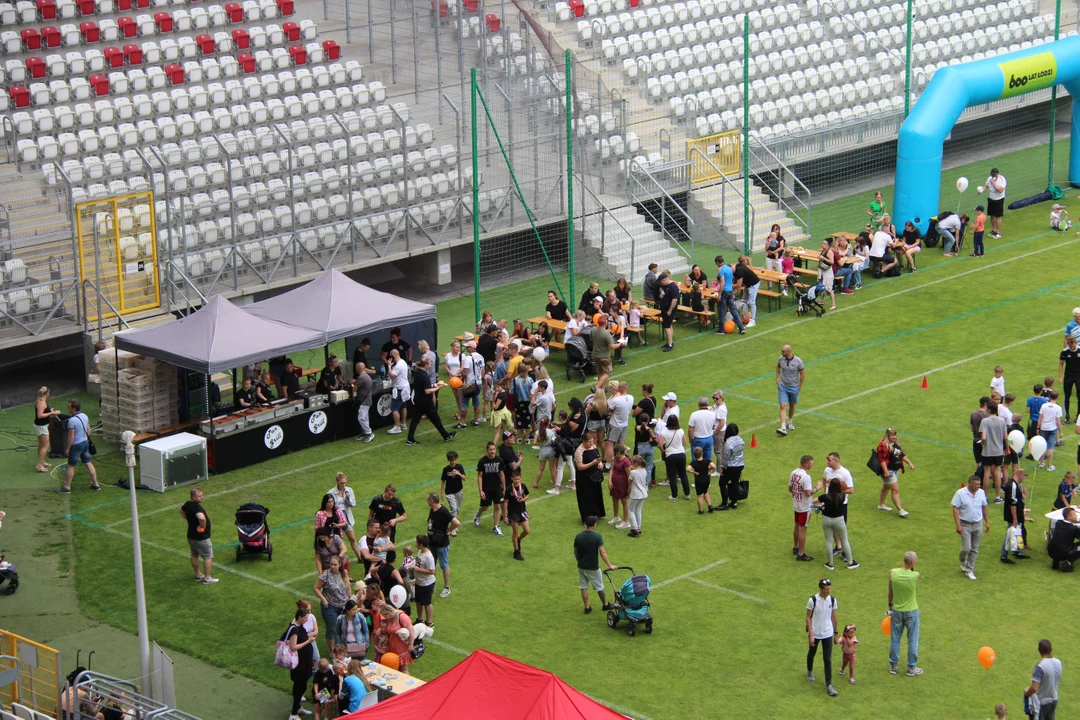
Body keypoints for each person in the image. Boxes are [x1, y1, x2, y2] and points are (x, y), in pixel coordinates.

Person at [406, 356, 455, 446]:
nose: (431, 365)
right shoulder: (424, 375)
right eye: (430, 364)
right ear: (426, 365)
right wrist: (437, 388)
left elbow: (423, 387)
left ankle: (410, 439)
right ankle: (446, 435)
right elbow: (427, 391)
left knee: (415, 420)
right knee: (436, 419)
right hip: (426, 402)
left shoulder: (417, 373)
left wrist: (434, 385)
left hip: (418, 400)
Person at [888, 551, 922, 677]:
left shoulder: (892, 573)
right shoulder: (915, 575)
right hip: (912, 611)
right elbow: (915, 573)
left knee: (895, 639)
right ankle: (911, 667)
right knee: (913, 640)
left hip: (897, 610)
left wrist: (890, 605)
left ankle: (893, 666)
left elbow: (890, 591)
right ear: (912, 562)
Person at [574, 515, 616, 614]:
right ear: (594, 525)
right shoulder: (597, 537)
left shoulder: (578, 536)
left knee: (583, 587)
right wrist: (610, 565)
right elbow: (603, 553)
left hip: (581, 566)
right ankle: (605, 604)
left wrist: (579, 560)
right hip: (593, 567)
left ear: (585, 524)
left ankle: (587, 607)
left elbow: (575, 551)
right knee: (599, 587)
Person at [805, 578, 839, 697]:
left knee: (827, 659)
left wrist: (835, 633)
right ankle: (809, 670)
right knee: (812, 653)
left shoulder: (833, 600)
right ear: (821, 589)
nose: (828, 591)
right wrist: (811, 634)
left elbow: (834, 617)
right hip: (815, 633)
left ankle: (829, 684)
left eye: (830, 588)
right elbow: (808, 617)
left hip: (827, 633)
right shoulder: (813, 600)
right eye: (826, 589)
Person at [57, 399, 98, 493]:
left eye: (69, 407)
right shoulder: (85, 416)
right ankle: (95, 484)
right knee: (88, 462)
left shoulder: (72, 421)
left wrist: (67, 449)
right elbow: (89, 430)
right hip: (84, 443)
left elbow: (71, 437)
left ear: (73, 409)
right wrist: (85, 439)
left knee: (70, 465)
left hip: (76, 445)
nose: (68, 408)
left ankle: (67, 487)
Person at [953, 475, 990, 581]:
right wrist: (958, 525)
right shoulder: (960, 493)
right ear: (970, 484)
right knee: (966, 548)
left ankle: (969, 569)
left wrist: (987, 522)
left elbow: (984, 507)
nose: (979, 486)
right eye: (977, 484)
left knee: (974, 549)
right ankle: (962, 560)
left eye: (979, 484)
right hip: (965, 524)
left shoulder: (981, 493)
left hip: (978, 523)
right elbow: (955, 508)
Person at [283, 606, 317, 720]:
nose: (307, 619)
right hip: (299, 663)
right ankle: (293, 713)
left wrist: (308, 636)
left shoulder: (299, 626)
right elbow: (293, 647)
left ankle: (297, 708)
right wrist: (308, 641)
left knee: (302, 685)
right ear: (299, 617)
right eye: (305, 618)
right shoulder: (294, 629)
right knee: (300, 687)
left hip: (304, 661)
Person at [816, 479, 858, 571]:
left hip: (826, 520)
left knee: (828, 541)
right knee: (844, 540)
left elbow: (814, 501)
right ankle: (850, 562)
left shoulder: (825, 497)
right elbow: (842, 488)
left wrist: (822, 504)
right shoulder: (842, 496)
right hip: (839, 520)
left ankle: (830, 563)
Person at [314, 555, 351, 655]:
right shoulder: (325, 575)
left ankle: (342, 649)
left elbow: (348, 587)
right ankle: (332, 651)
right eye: (331, 564)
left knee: (344, 628)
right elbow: (316, 588)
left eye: (335, 564)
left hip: (343, 605)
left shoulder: (344, 573)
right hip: (330, 606)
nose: (332, 566)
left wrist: (350, 600)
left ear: (339, 565)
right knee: (332, 629)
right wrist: (324, 599)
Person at [179, 486, 216, 584]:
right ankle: (207, 578)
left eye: (202, 495)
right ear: (193, 497)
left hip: (191, 535)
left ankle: (198, 574)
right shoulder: (197, 507)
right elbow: (202, 518)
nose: (202, 497)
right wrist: (202, 526)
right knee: (208, 556)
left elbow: (181, 511)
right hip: (201, 537)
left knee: (194, 555)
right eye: (199, 496)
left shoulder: (187, 504)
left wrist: (187, 519)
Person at [426, 492, 459, 597]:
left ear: (432, 501)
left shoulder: (443, 511)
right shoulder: (432, 509)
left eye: (428, 499)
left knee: (444, 565)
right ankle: (432, 585)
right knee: (432, 565)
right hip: (432, 542)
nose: (427, 501)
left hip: (442, 544)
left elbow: (456, 522)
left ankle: (447, 588)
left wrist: (448, 530)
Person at [790, 455, 820, 562]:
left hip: (796, 504)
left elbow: (790, 489)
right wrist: (818, 487)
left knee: (796, 526)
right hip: (805, 507)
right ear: (807, 464)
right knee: (803, 530)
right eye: (811, 463)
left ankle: (795, 547)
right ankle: (801, 553)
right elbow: (808, 493)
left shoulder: (793, 473)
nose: (812, 465)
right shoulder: (806, 477)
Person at [876, 428, 913, 517]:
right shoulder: (883, 445)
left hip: (895, 470)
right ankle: (900, 510)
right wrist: (885, 472)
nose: (894, 437)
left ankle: (881, 505)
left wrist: (909, 463)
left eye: (895, 435)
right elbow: (882, 460)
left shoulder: (895, 444)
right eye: (892, 435)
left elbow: (901, 455)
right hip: (888, 471)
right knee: (895, 490)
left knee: (886, 487)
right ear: (887, 436)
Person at [823, 452, 854, 556]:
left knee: (841, 528)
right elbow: (824, 480)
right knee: (832, 527)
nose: (827, 461)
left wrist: (836, 491)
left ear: (836, 460)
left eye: (829, 460)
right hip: (829, 504)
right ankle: (839, 546)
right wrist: (826, 493)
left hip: (841, 504)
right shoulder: (827, 470)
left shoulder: (845, 473)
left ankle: (845, 553)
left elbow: (851, 490)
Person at [473, 442, 507, 535]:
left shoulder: (500, 460)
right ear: (487, 450)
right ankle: (478, 513)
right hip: (486, 487)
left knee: (497, 506)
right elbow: (480, 476)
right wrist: (481, 490)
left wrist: (504, 488)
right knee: (485, 507)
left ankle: (496, 526)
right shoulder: (482, 461)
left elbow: (502, 474)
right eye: (490, 449)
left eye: (494, 449)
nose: (492, 451)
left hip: (497, 487)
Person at [328, 472, 363, 561]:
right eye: (341, 483)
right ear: (337, 482)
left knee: (352, 537)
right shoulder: (331, 493)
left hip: (345, 517)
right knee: (337, 540)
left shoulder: (349, 490)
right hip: (335, 517)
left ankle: (360, 557)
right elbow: (328, 507)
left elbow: (353, 504)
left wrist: (347, 498)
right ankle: (337, 559)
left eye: (345, 483)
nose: (343, 485)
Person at [1024, 639, 1062, 720]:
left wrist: (1026, 694)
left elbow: (1034, 688)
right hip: (1054, 700)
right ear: (1051, 649)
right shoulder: (1058, 662)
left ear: (1038, 650)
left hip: (1042, 703)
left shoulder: (1040, 666)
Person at [574, 433, 607, 524]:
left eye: (592, 442)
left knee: (596, 495)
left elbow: (598, 458)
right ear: (584, 441)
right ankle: (587, 518)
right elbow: (580, 467)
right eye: (589, 442)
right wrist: (592, 464)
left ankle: (597, 514)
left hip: (595, 476)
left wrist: (599, 464)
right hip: (584, 478)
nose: (591, 443)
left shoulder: (593, 446)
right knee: (586, 498)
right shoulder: (579, 451)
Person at [1000, 468, 1032, 564]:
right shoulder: (1012, 485)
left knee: (1019, 532)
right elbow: (1012, 503)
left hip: (1017, 514)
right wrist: (1015, 518)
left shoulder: (1014, 485)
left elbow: (1017, 500)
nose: (1024, 479)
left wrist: (1022, 495)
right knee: (1010, 534)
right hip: (1013, 515)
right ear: (1021, 475)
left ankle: (1017, 551)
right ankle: (1004, 556)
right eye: (1024, 476)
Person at [980, 400, 1009, 502]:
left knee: (987, 473)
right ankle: (997, 496)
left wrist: (982, 444)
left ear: (989, 409)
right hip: (998, 451)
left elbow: (983, 437)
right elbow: (1005, 437)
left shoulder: (985, 421)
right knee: (997, 472)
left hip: (987, 451)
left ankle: (985, 497)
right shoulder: (1002, 421)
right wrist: (1007, 448)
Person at [657, 414, 690, 502]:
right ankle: (687, 494)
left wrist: (663, 450)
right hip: (681, 454)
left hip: (670, 455)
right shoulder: (681, 431)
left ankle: (674, 496)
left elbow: (660, 444)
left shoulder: (664, 432)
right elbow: (684, 442)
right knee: (683, 474)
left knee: (672, 476)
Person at [775, 345, 805, 436]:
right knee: (783, 406)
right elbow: (777, 368)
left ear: (788, 352)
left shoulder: (798, 361)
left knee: (792, 405)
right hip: (783, 386)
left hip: (794, 387)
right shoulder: (781, 359)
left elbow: (802, 373)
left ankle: (790, 421)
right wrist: (778, 378)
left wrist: (799, 386)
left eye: (783, 351)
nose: (781, 352)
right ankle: (783, 427)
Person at [714, 254, 746, 336]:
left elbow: (722, 282)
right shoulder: (729, 268)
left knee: (722, 310)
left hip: (724, 291)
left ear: (718, 262)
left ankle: (721, 330)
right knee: (733, 310)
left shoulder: (721, 269)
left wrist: (719, 294)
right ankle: (741, 327)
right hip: (730, 291)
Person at [715, 423, 745, 510]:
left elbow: (725, 457)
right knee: (735, 482)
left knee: (722, 483)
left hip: (731, 466)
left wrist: (722, 467)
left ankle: (725, 503)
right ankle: (734, 502)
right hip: (740, 464)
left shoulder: (728, 443)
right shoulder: (740, 439)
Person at [506, 469, 531, 561]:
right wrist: (505, 515)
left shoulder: (523, 486)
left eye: (518, 479)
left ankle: (519, 539)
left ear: (520, 479)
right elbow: (506, 501)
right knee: (515, 532)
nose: (517, 481)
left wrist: (524, 499)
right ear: (512, 478)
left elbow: (528, 495)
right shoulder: (509, 489)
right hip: (513, 513)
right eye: (515, 479)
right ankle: (516, 551)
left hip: (522, 511)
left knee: (527, 530)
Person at [412, 534, 437, 625]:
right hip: (419, 582)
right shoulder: (420, 552)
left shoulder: (428, 557)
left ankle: (429, 622)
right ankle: (420, 619)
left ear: (421, 544)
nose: (416, 544)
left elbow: (432, 571)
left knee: (427, 603)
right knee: (418, 601)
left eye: (417, 543)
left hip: (427, 583)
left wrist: (419, 570)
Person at [34, 386, 59, 473]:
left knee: (41, 445)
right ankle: (39, 465)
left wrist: (50, 411)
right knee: (46, 445)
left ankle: (42, 462)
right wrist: (51, 412)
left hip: (40, 426)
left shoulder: (42, 400)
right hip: (41, 426)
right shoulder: (41, 402)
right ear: (47, 393)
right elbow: (40, 415)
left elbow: (44, 412)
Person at [439, 450, 465, 529]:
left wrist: (458, 473)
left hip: (459, 491)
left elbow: (464, 478)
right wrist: (442, 493)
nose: (453, 462)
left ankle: (448, 519)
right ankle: (453, 527)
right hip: (449, 492)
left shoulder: (459, 467)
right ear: (448, 460)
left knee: (457, 509)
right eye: (451, 460)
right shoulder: (446, 469)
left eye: (454, 460)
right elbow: (443, 481)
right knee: (453, 509)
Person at [1039, 390, 1063, 471]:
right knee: (1050, 447)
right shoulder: (1058, 408)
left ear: (1049, 396)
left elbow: (1040, 418)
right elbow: (1058, 421)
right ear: (1057, 397)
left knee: (1043, 446)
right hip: (1052, 429)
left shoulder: (1044, 405)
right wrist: (1061, 431)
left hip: (1043, 428)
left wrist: (1038, 428)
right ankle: (1049, 465)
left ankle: (1041, 463)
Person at [386, 348, 410, 434]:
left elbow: (392, 376)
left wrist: (389, 366)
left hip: (399, 388)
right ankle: (403, 423)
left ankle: (397, 426)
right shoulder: (403, 362)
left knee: (395, 408)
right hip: (405, 387)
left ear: (392, 356)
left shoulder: (397, 366)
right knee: (403, 406)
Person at [687, 396, 716, 463]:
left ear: (698, 404)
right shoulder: (712, 414)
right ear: (707, 404)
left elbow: (690, 429)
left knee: (696, 458)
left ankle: (698, 472)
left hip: (698, 439)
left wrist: (691, 440)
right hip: (709, 438)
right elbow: (713, 426)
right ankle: (708, 472)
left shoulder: (694, 414)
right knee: (708, 459)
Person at [734, 256, 760, 326]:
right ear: (743, 262)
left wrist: (749, 262)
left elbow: (750, 270)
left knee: (752, 302)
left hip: (753, 284)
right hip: (748, 284)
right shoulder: (741, 268)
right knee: (744, 300)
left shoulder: (740, 266)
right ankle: (743, 316)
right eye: (746, 260)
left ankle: (753, 320)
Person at [1059, 335, 1080, 423]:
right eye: (1070, 346)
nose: (1072, 347)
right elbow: (1061, 364)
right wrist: (1060, 376)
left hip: (1079, 376)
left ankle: (1078, 416)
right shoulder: (1064, 352)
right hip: (1068, 376)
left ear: (1076, 343)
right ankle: (1067, 416)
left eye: (1073, 346)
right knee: (1067, 396)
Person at [688, 445, 714, 515]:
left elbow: (687, 469)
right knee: (705, 491)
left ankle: (701, 510)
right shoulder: (707, 460)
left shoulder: (694, 462)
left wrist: (694, 472)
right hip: (706, 479)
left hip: (698, 480)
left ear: (694, 455)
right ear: (702, 453)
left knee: (699, 495)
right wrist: (710, 469)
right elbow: (713, 466)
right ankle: (710, 506)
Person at [657, 274, 680, 352]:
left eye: (661, 282)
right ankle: (669, 341)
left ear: (664, 280)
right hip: (664, 308)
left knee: (667, 326)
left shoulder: (673, 287)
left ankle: (670, 344)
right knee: (668, 325)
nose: (661, 284)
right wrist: (661, 295)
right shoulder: (664, 286)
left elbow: (674, 300)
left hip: (669, 309)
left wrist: (670, 310)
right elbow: (662, 296)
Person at [627, 454, 648, 537]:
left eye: (632, 462)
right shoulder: (644, 470)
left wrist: (628, 492)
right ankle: (638, 527)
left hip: (636, 494)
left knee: (630, 510)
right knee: (638, 510)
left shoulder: (633, 472)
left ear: (636, 463)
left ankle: (635, 528)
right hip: (643, 493)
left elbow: (629, 483)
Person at [984, 167, 1007, 238]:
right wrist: (981, 190)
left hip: (999, 199)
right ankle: (993, 230)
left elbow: (1000, 190)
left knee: (998, 216)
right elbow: (986, 185)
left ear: (998, 174)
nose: (993, 176)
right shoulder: (989, 178)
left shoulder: (1002, 180)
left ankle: (998, 232)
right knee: (992, 215)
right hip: (991, 198)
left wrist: (993, 183)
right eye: (992, 175)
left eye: (994, 175)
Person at [815, 239, 837, 311]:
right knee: (823, 286)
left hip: (828, 272)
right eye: (822, 243)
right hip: (822, 271)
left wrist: (823, 258)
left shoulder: (829, 251)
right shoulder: (823, 250)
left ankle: (833, 304)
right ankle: (821, 300)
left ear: (828, 245)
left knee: (829, 289)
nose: (822, 245)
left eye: (824, 244)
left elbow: (832, 262)